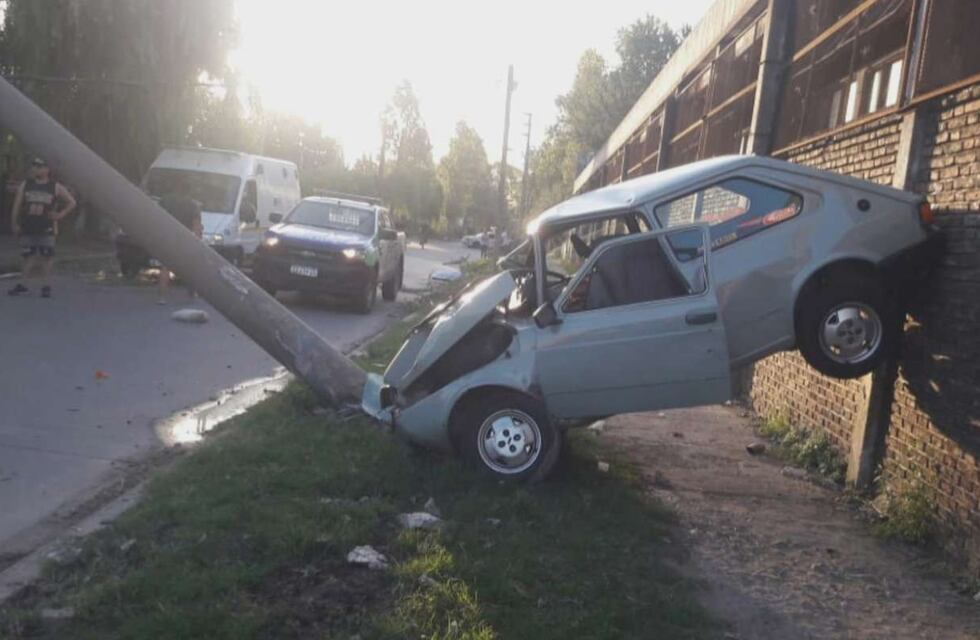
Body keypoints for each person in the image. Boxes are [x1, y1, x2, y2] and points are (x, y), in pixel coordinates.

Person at [7, 158, 76, 298]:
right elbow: (17, 205)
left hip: (47, 227)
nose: (36, 169)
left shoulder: (54, 186)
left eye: (39, 167)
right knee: (28, 256)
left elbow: (71, 202)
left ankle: (46, 286)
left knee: (46, 256)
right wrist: (14, 223)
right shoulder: (26, 185)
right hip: (29, 226)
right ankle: (23, 284)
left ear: (47, 169)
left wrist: (59, 215)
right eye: (34, 166)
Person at [156, 178, 203, 304]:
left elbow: (157, 218)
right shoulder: (193, 205)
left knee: (165, 267)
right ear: (189, 191)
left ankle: (162, 297)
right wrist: (198, 241)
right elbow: (196, 226)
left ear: (176, 188)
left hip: (168, 237)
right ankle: (192, 292)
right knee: (191, 267)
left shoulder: (165, 201)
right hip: (185, 239)